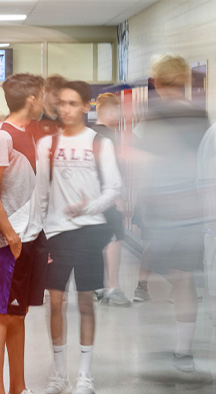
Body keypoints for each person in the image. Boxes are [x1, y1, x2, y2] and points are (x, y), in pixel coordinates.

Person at [36, 81, 123, 394]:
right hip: (56, 233)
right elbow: (41, 193)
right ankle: (59, 373)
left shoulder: (100, 143)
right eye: (62, 103)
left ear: (87, 106)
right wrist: (38, 231)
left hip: (88, 230)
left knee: (86, 301)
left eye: (73, 103)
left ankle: (85, 373)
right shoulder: (47, 144)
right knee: (55, 302)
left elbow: (114, 188)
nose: (66, 109)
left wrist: (87, 207)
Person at [0, 73, 60, 394]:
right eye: (41, 96)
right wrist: (10, 236)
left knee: (19, 313)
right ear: (31, 99)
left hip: (32, 236)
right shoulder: (3, 137)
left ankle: (18, 390)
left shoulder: (27, 134)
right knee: (2, 313)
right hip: (11, 241)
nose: (43, 101)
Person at [131, 54, 210, 381]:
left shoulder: (152, 117)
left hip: (162, 210)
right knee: (184, 279)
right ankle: (183, 350)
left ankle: (166, 346)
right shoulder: (200, 115)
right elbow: (205, 161)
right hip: (192, 209)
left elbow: (141, 164)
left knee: (167, 276)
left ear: (158, 83)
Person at [92, 93, 131, 307]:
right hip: (107, 198)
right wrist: (118, 199)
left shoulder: (90, 134)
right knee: (115, 239)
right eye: (117, 111)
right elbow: (110, 170)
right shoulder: (108, 137)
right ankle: (114, 288)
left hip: (93, 197)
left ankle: (98, 287)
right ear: (108, 111)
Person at [28, 74, 64, 141]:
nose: (58, 99)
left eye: (61, 96)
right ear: (46, 91)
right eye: (55, 95)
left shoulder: (64, 117)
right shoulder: (34, 116)